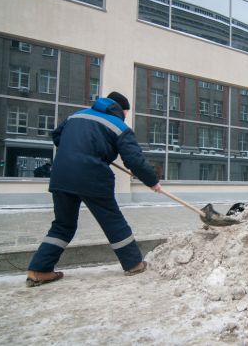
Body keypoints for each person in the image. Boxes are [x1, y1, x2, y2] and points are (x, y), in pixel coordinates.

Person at [26, 92, 163, 287]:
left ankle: (39, 270)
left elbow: (57, 136)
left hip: (61, 175)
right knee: (112, 220)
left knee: (63, 225)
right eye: (126, 112)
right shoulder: (120, 127)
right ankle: (134, 264)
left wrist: (79, 149)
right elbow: (134, 160)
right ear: (122, 110)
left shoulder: (76, 116)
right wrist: (152, 181)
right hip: (92, 177)